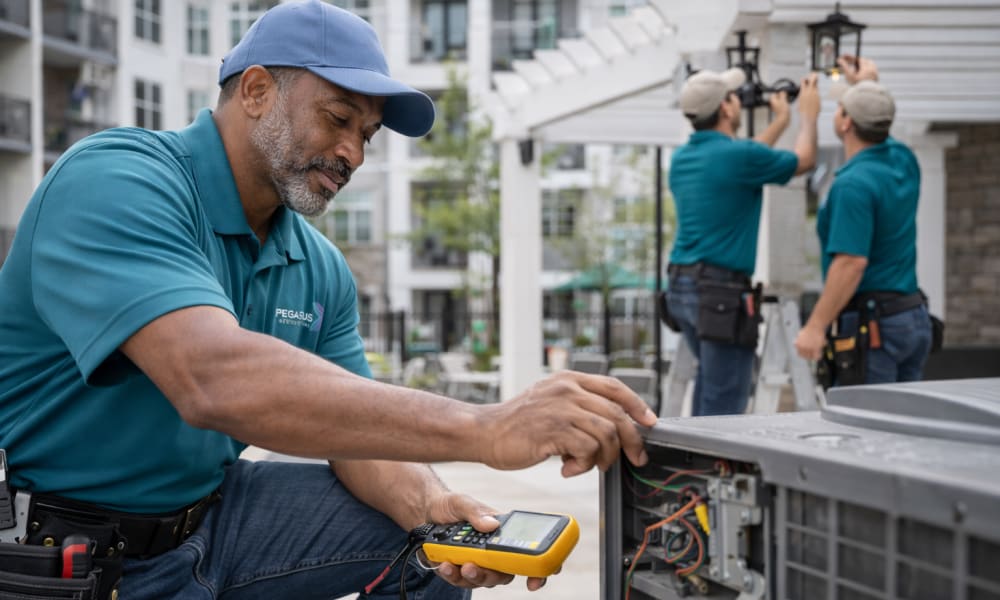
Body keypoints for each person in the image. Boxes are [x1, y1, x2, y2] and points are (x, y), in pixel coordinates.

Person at [0, 2, 657, 599]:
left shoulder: (318, 266)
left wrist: (432, 501)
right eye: (339, 118)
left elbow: (359, 442)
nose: (353, 153)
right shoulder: (118, 177)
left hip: (218, 518)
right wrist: (485, 427)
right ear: (256, 90)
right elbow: (210, 379)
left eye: (367, 135)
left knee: (430, 549)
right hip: (78, 552)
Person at [664, 68, 820, 416]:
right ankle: (710, 470)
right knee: (724, 404)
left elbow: (748, 158)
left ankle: (696, 464)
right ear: (727, 109)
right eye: (733, 96)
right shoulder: (739, 158)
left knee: (711, 387)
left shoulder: (683, 159)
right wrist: (807, 116)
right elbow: (805, 160)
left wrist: (780, 121)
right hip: (719, 293)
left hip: (682, 288)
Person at [795, 57, 932, 385]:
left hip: (875, 328)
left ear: (845, 123)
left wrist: (815, 327)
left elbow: (851, 263)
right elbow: (878, 123)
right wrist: (867, 86)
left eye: (841, 108)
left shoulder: (852, 184)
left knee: (869, 430)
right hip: (910, 317)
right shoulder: (904, 160)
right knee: (904, 429)